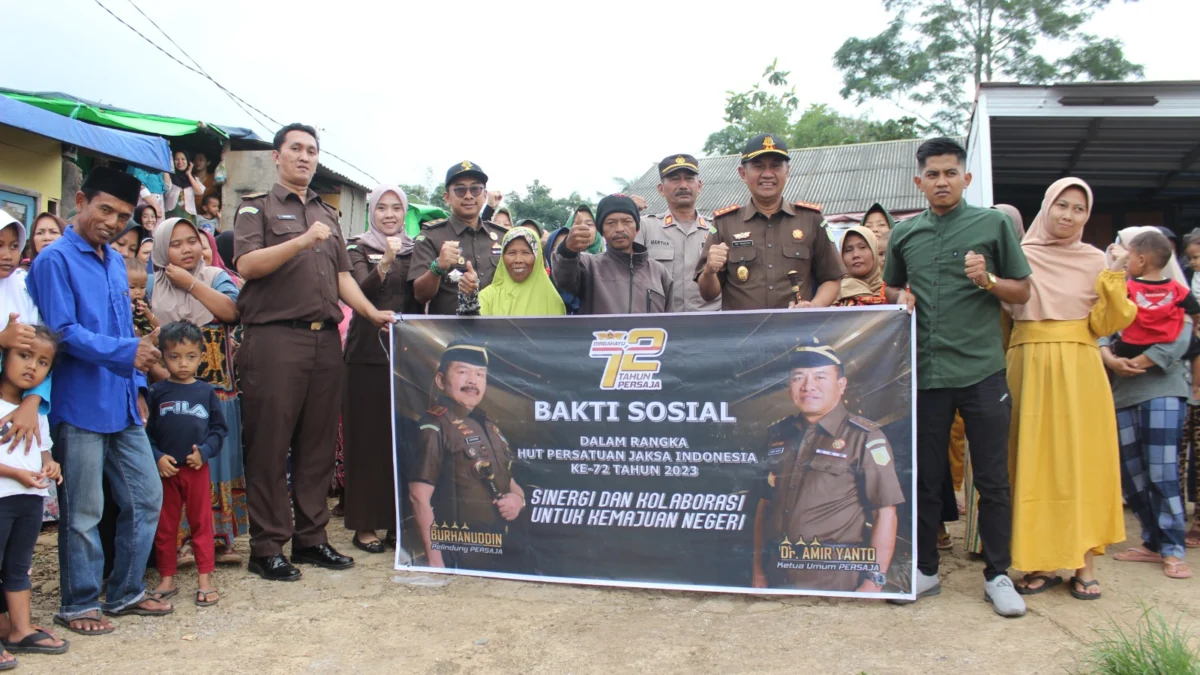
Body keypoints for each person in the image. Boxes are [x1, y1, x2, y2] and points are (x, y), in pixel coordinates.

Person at [232, 123, 394, 581]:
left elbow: (344, 277)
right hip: (275, 339)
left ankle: (311, 539)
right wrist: (301, 240)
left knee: (318, 447)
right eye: (296, 149)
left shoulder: (327, 212)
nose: (305, 157)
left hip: (326, 340)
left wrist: (369, 312)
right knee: (270, 443)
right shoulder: (255, 209)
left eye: (312, 151)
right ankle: (266, 546)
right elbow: (246, 265)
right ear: (277, 157)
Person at [884, 137, 1032, 617]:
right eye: (933, 174)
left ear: (965, 178)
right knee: (927, 475)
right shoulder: (905, 234)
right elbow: (891, 284)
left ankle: (998, 574)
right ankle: (926, 569)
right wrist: (899, 296)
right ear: (918, 181)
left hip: (983, 370)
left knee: (992, 478)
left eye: (951, 173)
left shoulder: (992, 224)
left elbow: (1023, 291)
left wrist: (987, 280)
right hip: (927, 373)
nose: (942, 181)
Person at [27, 166, 171, 635]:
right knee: (84, 512)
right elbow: (63, 334)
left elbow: (120, 330)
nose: (112, 222)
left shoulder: (112, 260)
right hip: (78, 403)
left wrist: (140, 388)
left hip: (123, 403)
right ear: (81, 199)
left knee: (146, 498)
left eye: (123, 215)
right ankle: (79, 603)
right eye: (105, 209)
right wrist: (130, 353)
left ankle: (126, 591)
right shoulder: (55, 260)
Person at [1003, 178, 1136, 600]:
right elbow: (1001, 315)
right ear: (1047, 206)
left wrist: (1115, 276)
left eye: (1079, 209)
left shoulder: (1097, 259)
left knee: (1082, 464)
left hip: (1081, 368)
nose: (1069, 215)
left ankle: (1083, 563)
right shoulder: (1018, 256)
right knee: (1034, 463)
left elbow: (1107, 325)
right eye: (1062, 205)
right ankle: (1038, 562)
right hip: (1027, 363)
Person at [753, 344, 904, 592]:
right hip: (776, 575)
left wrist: (873, 582)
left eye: (820, 377)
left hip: (835, 580)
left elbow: (885, 512)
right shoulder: (778, 434)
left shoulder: (864, 437)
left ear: (841, 385)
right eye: (798, 378)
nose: (807, 386)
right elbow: (764, 505)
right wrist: (759, 573)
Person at [149, 218, 247, 565]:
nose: (187, 249)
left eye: (192, 241)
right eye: (176, 244)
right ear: (162, 249)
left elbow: (232, 311)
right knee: (178, 464)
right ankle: (180, 540)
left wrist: (190, 284)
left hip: (217, 391)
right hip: (169, 393)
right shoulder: (151, 287)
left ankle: (220, 538)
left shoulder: (215, 277)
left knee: (215, 460)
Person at [1103, 227, 1194, 580]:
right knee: (1132, 474)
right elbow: (1102, 327)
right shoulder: (1122, 292)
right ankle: (1153, 541)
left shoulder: (1175, 295)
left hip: (1163, 390)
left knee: (1162, 470)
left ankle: (1172, 548)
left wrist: (1136, 364)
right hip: (1122, 394)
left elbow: (1180, 339)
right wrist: (1110, 358)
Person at [343, 184, 419, 554]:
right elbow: (362, 292)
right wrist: (385, 262)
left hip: (408, 355)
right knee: (367, 440)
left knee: (402, 440)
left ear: (405, 213)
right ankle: (365, 523)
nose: (389, 215)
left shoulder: (417, 250)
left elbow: (422, 296)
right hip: (366, 355)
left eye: (396, 209)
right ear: (370, 212)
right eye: (382, 209)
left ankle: (396, 521)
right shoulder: (357, 248)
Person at [409, 343, 526, 570]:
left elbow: (508, 480)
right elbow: (418, 497)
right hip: (459, 552)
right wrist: (435, 562)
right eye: (463, 372)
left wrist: (518, 501)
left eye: (480, 374)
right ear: (441, 381)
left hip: (500, 547)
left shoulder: (489, 425)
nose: (473, 381)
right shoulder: (435, 425)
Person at [696, 134, 845, 310]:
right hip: (743, 334)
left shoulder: (811, 219)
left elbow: (832, 278)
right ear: (743, 173)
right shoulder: (725, 223)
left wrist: (814, 306)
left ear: (787, 171)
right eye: (758, 166)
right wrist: (709, 271)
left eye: (775, 166)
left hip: (794, 331)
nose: (767, 174)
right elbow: (707, 293)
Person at [0, 325, 68, 663]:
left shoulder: (37, 410)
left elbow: (43, 451)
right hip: (3, 496)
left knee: (19, 566)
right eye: (24, 356)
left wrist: (50, 465)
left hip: (29, 500)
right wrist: (15, 473)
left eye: (42, 363)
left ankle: (20, 629)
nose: (32, 367)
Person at [147, 321, 226, 607]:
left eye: (190, 357)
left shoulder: (205, 392)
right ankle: (167, 577)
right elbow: (145, 434)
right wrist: (156, 456)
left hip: (195, 470)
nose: (182, 364)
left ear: (201, 356)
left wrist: (203, 452)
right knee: (165, 526)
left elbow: (219, 430)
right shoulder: (156, 393)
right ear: (162, 357)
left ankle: (205, 578)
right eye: (174, 357)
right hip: (165, 471)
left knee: (201, 523)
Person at [409, 162, 510, 315]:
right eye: (460, 190)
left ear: (484, 195)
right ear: (447, 197)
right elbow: (420, 295)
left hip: (496, 331)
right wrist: (437, 267)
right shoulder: (431, 236)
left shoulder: (502, 237)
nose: (468, 196)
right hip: (449, 334)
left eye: (475, 189)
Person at [552, 194, 674, 314]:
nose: (619, 228)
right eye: (611, 223)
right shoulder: (588, 266)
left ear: (637, 228)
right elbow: (563, 278)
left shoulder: (658, 272)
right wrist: (567, 250)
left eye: (627, 221)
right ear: (601, 231)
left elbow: (670, 323)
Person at [636, 154, 719, 312]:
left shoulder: (717, 228)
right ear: (661, 189)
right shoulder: (645, 227)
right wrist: (626, 210)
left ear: (699, 186)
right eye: (674, 179)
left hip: (708, 325)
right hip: (662, 324)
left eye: (689, 178)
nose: (683, 185)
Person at [1108, 230, 1200, 359]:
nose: (1126, 263)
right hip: (1167, 342)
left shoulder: (1129, 287)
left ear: (1141, 260)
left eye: (1128, 258)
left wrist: (1115, 267)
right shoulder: (1176, 288)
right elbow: (1195, 309)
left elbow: (1109, 294)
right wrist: (1196, 324)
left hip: (1132, 344)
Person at [459, 225, 565, 316]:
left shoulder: (551, 299)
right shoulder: (488, 297)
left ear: (537, 258)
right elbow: (472, 330)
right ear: (502, 258)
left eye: (526, 253)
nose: (518, 260)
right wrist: (469, 297)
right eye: (511, 253)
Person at [543, 205, 601, 314]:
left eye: (589, 224)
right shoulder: (543, 286)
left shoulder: (605, 266)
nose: (583, 228)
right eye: (576, 224)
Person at [835, 226, 887, 306]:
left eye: (862, 247)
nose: (855, 255)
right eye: (848, 250)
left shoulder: (893, 289)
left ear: (875, 251)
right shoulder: (833, 294)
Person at [163, 150, 206, 219]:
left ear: (188, 161)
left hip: (188, 216)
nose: (180, 162)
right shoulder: (169, 176)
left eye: (183, 159)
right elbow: (166, 187)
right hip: (171, 214)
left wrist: (189, 174)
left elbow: (200, 191)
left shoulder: (193, 179)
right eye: (177, 159)